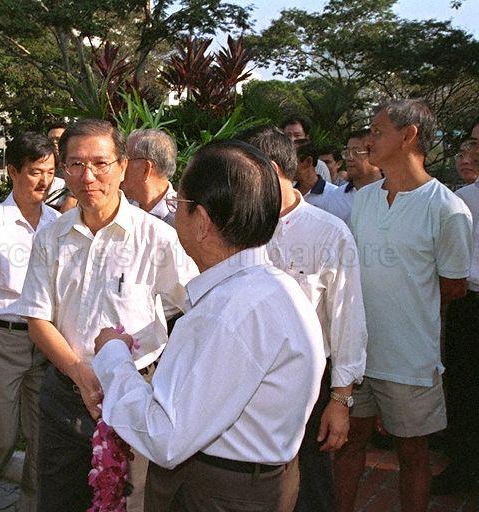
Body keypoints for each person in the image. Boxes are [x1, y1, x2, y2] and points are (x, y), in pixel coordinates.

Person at [91, 140, 325, 512]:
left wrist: (112, 357)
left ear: (201, 221)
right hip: (259, 480)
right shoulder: (274, 288)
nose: (173, 213)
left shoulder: (227, 314)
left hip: (219, 490)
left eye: (179, 205)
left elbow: (164, 436)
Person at [14, 119, 198, 512]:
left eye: (101, 163)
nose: (88, 176)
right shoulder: (51, 236)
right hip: (65, 392)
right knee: (59, 500)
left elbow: (198, 306)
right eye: (76, 165)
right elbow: (37, 318)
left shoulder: (157, 237)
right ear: (64, 169)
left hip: (136, 393)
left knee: (132, 502)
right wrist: (79, 373)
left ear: (122, 165)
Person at [333, 99, 473, 512]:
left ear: (409, 136)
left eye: (377, 132)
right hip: (358, 354)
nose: (367, 141)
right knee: (349, 444)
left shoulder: (447, 209)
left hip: (411, 359)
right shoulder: (364, 199)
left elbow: (453, 287)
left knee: (412, 454)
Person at [249, 127, 367, 512]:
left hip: (308, 385)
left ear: (268, 169)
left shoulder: (328, 233)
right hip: (246, 382)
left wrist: (341, 399)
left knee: (309, 488)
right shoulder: (237, 226)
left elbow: (347, 317)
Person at [0, 133, 60, 512]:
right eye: (35, 172)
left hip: (47, 343)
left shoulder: (57, 223)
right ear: (13, 171)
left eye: (50, 172)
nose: (44, 181)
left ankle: (31, 506)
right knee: (0, 436)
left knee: (41, 437)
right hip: (2, 340)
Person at [433, 120, 479, 495]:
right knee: (464, 389)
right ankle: (463, 467)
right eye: (473, 141)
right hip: (470, 305)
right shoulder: (463, 199)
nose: (474, 150)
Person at [324, 130, 383, 225]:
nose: (349, 158)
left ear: (375, 154)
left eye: (356, 152)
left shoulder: (391, 194)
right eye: (347, 152)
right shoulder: (335, 198)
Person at [121, 129, 178, 226]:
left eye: (125, 161)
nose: (119, 167)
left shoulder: (185, 218)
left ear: (146, 169)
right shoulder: (121, 209)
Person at [282, 116, 333, 182]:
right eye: (288, 135)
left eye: (297, 135)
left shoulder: (320, 167)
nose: (292, 139)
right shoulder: (278, 164)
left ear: (307, 137)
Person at [295, 138, 338, 212]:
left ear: (308, 161)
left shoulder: (334, 195)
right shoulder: (290, 194)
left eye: (290, 160)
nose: (285, 165)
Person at [46, 121, 79, 213]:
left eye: (58, 139)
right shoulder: (42, 168)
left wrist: (58, 224)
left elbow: (71, 201)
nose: (54, 144)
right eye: (50, 140)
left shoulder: (75, 169)